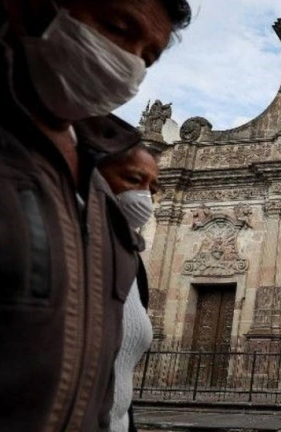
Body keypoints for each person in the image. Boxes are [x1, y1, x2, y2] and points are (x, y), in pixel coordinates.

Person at [0, 1, 190, 431]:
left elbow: (102, 383)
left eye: (148, 57)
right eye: (117, 27)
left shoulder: (100, 192)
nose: (129, 63)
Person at [98, 144, 159, 432]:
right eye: (135, 180)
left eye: (153, 189)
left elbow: (122, 385)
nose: (145, 196)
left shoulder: (134, 266)